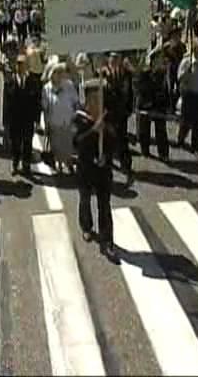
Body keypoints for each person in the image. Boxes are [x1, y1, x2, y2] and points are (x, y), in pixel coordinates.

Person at [73, 79, 119, 264]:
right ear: (87, 100)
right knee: (85, 199)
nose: (97, 103)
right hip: (85, 168)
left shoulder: (107, 117)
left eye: (99, 99)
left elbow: (115, 142)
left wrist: (107, 155)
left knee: (105, 205)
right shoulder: (79, 118)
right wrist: (93, 129)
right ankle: (86, 226)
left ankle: (107, 240)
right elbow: (76, 142)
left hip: (103, 169)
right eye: (93, 99)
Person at [102, 52, 134, 186]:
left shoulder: (126, 74)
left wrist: (129, 109)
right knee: (107, 143)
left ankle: (126, 166)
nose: (115, 61)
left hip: (121, 113)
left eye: (118, 58)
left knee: (122, 141)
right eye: (113, 58)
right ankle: (106, 171)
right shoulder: (103, 74)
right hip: (108, 114)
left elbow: (130, 92)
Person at [42, 63, 80, 174]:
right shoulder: (47, 88)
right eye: (57, 73)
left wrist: (77, 117)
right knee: (56, 145)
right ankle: (58, 165)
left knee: (68, 145)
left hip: (68, 120)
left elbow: (75, 101)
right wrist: (46, 124)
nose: (59, 75)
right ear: (51, 74)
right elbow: (45, 108)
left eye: (61, 72)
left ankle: (69, 163)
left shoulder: (69, 85)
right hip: (54, 121)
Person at [5, 54, 39, 175]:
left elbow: (36, 102)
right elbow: (7, 102)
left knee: (27, 143)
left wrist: (37, 120)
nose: (20, 66)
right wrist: (6, 121)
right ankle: (15, 164)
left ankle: (26, 165)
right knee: (15, 143)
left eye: (22, 64)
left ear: (27, 65)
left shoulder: (32, 81)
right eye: (18, 64)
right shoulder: (10, 81)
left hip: (28, 119)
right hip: (15, 119)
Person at [135, 50, 172, 161]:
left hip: (159, 105)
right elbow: (140, 89)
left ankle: (163, 153)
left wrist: (168, 104)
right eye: (160, 59)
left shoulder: (164, 74)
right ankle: (145, 150)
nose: (162, 61)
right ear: (153, 61)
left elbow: (167, 90)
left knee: (161, 130)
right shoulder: (145, 73)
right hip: (145, 104)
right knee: (144, 130)